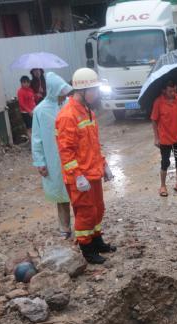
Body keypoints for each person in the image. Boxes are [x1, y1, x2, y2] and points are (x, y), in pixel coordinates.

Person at [56, 68, 116, 264]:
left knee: (98, 208)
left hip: (93, 172)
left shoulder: (87, 111)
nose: (97, 93)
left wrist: (104, 164)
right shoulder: (68, 115)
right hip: (80, 177)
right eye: (94, 90)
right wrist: (77, 175)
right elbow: (66, 151)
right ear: (82, 91)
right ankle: (87, 249)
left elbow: (93, 144)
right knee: (85, 212)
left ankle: (97, 241)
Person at [31, 72, 73, 239]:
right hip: (53, 159)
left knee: (78, 192)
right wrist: (40, 162)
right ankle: (65, 227)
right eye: (61, 93)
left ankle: (83, 226)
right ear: (54, 91)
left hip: (71, 157)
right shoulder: (40, 111)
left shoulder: (69, 105)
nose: (64, 97)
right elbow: (36, 139)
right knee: (60, 194)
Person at [151, 80, 177, 197]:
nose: (173, 93)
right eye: (170, 91)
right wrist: (156, 138)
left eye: (174, 90)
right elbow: (154, 119)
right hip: (165, 138)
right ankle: (163, 186)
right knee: (165, 162)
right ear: (164, 91)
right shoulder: (158, 102)